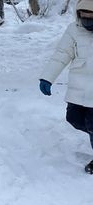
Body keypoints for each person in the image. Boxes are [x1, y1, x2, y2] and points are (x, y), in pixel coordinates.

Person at [39, 0, 93, 174]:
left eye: (91, 16)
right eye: (84, 16)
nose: (87, 20)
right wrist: (47, 78)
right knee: (74, 119)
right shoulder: (74, 30)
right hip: (79, 87)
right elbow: (61, 54)